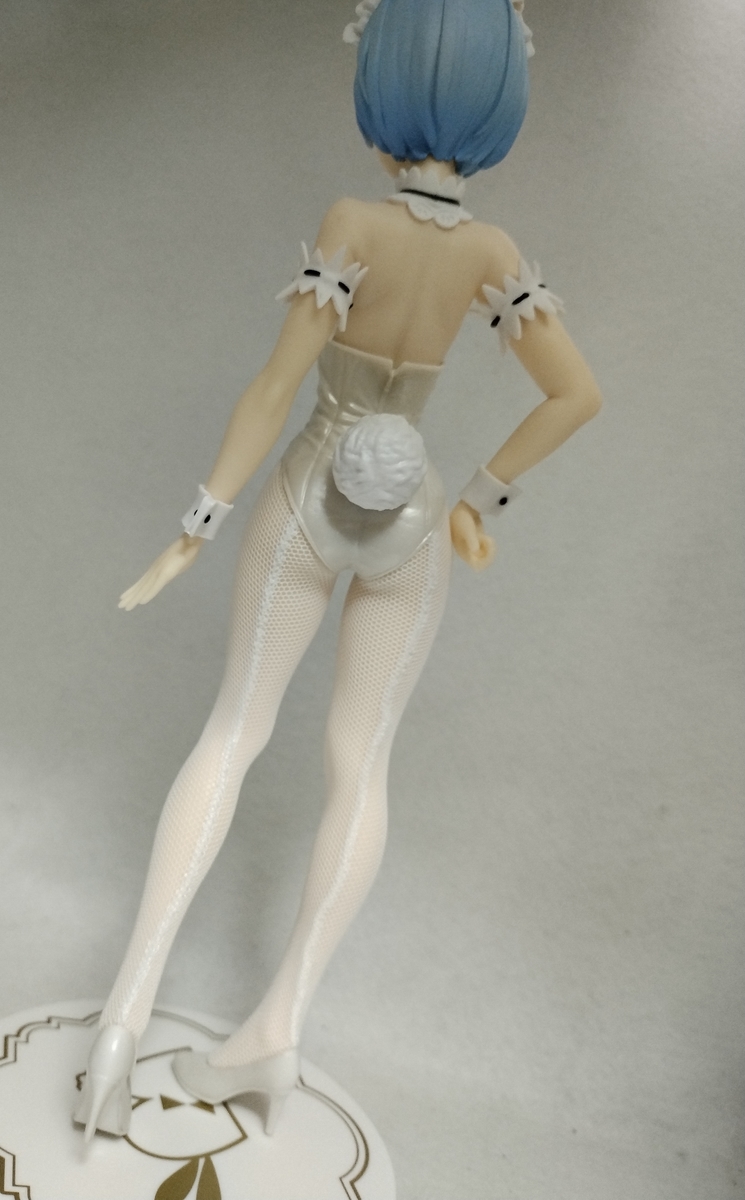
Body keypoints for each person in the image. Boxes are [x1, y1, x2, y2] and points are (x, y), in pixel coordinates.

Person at [75, 0, 602, 1141]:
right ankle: (278, 1029)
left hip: (309, 496)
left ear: (382, 80)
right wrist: (477, 498)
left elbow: (275, 388)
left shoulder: (353, 221)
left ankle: (121, 1021)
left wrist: (198, 522)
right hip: (414, 521)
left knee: (234, 730)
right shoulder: (490, 254)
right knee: (361, 768)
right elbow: (576, 394)